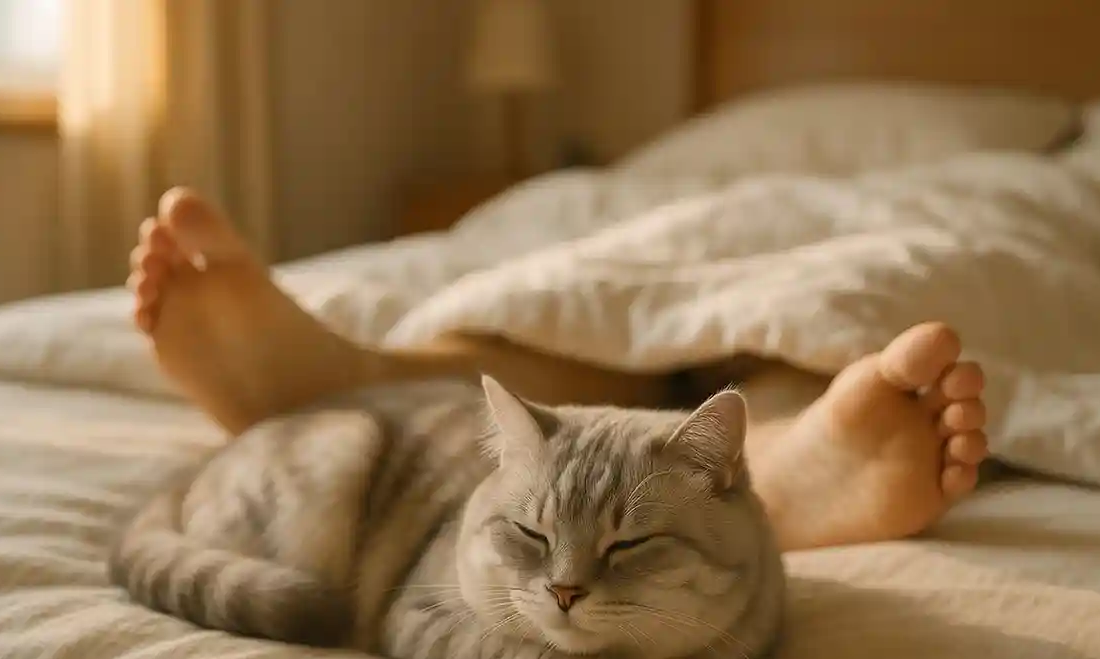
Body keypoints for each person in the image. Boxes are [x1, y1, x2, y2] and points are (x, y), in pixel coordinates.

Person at [127, 187, 989, 553]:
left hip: (895, 227)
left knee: (801, 339)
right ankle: (357, 373)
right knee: (592, 315)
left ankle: (784, 461)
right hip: (659, 238)